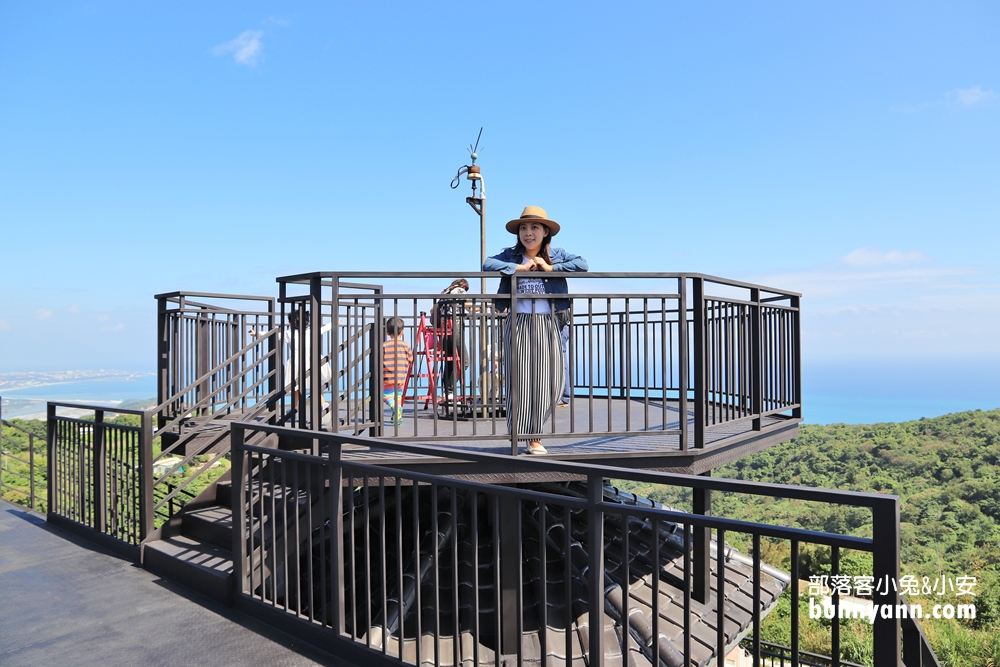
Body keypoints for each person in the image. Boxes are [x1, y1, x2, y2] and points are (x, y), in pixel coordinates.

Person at [483, 206, 588, 455]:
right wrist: (518, 269)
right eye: (523, 228)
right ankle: (528, 437)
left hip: (548, 321)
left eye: (534, 228)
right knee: (519, 380)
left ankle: (533, 430)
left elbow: (582, 264)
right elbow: (487, 264)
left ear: (545, 232)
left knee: (550, 381)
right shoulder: (511, 256)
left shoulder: (557, 254)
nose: (528, 233)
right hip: (518, 321)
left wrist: (550, 269)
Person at [434, 278, 470, 400]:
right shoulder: (459, 290)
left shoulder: (444, 293)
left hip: (445, 331)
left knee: (450, 361)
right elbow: (469, 305)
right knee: (464, 361)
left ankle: (447, 391)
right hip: (456, 328)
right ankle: (449, 389)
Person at [382, 317, 413, 426]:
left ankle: (395, 408)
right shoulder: (406, 346)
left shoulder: (384, 346)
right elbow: (411, 359)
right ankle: (397, 414)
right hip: (401, 377)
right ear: (402, 332)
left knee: (385, 396)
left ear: (387, 332)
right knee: (398, 396)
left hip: (387, 377)